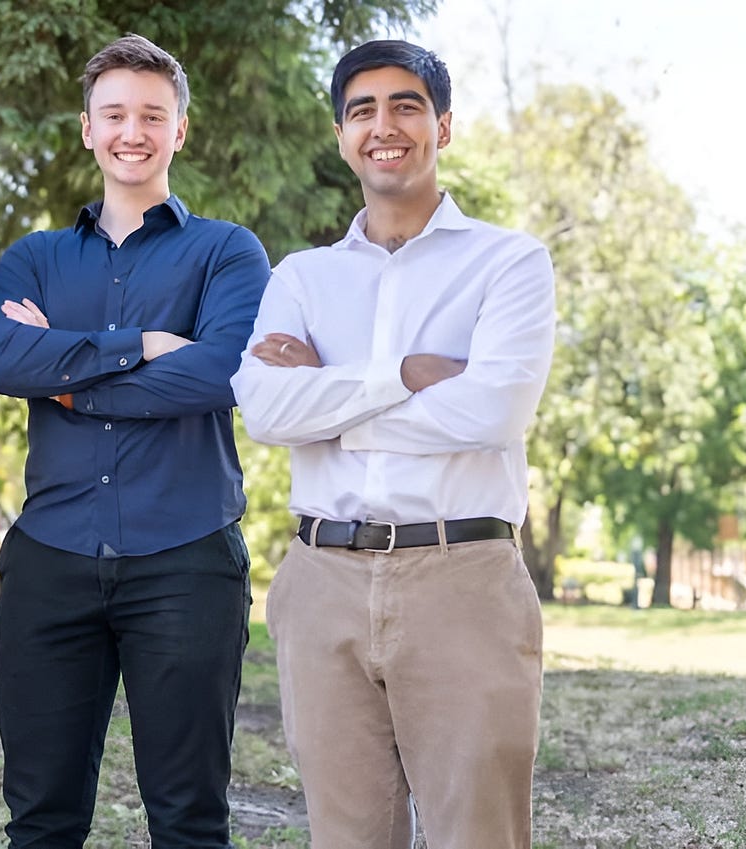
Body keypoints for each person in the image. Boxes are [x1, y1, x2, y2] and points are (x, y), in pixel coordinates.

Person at [231, 40, 555, 849]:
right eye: (362, 109)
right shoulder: (303, 277)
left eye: (406, 105)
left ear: (442, 127)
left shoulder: (508, 262)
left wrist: (330, 396)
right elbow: (266, 410)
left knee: (477, 831)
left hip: (464, 580)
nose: (385, 125)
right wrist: (408, 372)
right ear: (342, 134)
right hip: (321, 581)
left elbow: (491, 412)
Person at [0, 33, 271, 848]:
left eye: (151, 115)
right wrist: (142, 344)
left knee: (188, 819)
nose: (131, 131)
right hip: (50, 560)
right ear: (86, 128)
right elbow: (0, 358)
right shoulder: (34, 258)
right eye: (114, 114)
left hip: (186, 561)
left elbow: (220, 375)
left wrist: (61, 370)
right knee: (40, 821)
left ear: (180, 130)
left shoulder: (227, 251)